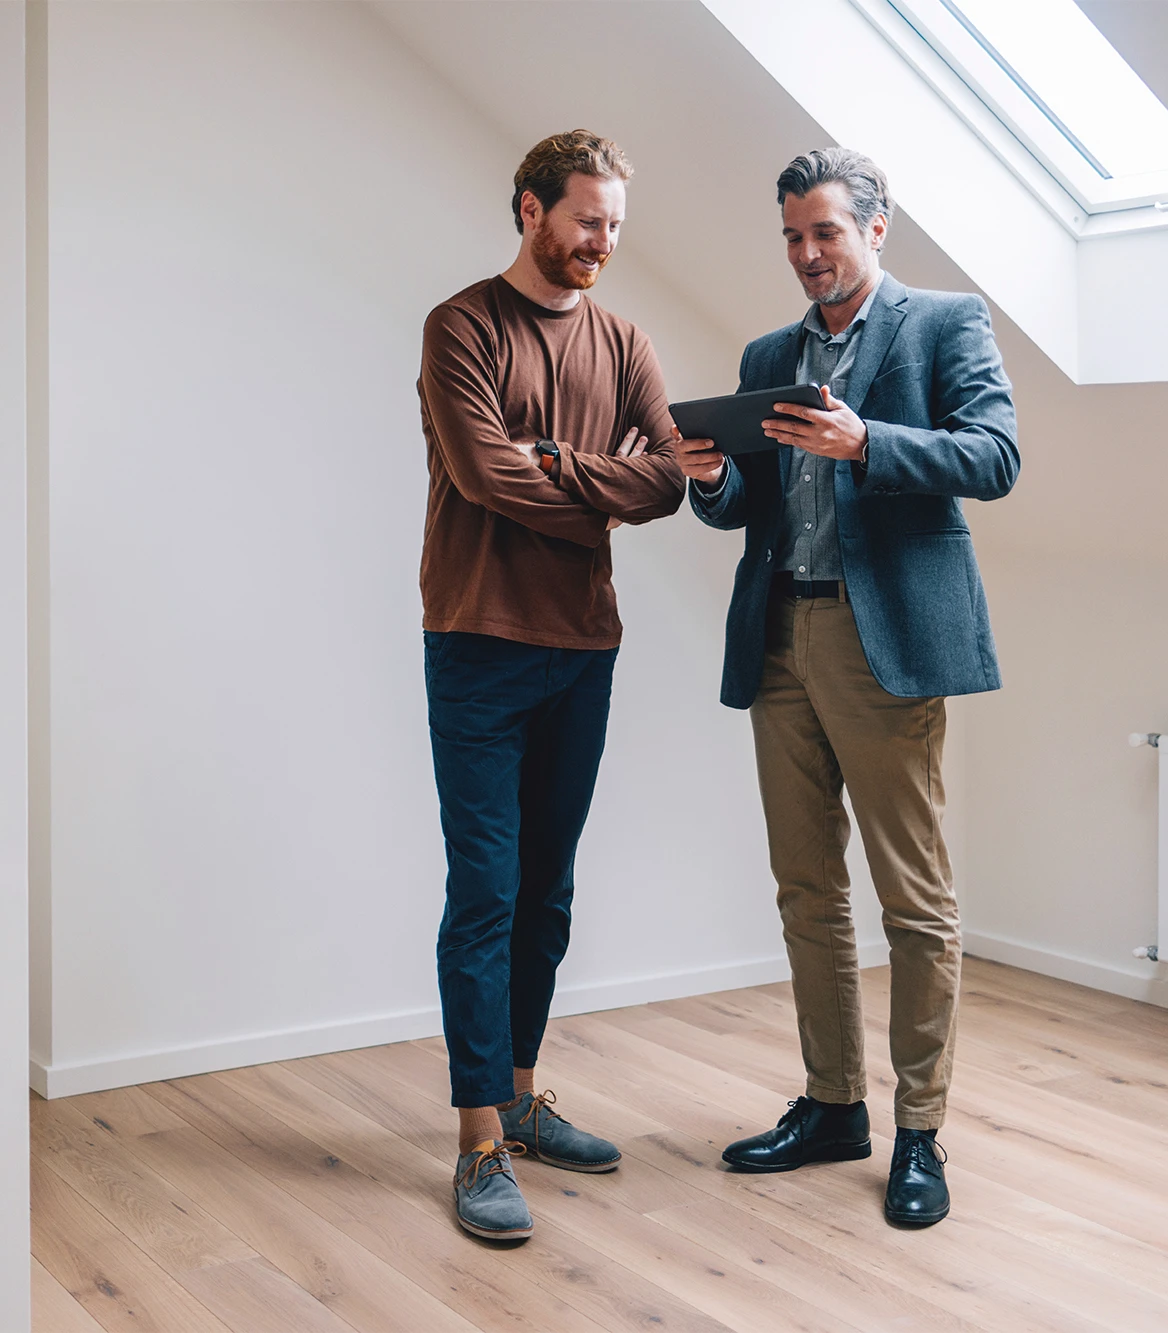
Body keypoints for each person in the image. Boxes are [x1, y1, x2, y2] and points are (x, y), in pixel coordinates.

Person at [674, 147, 1017, 1229]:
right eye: (790, 236)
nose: (805, 253)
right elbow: (746, 509)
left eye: (823, 232)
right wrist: (712, 478)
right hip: (780, 632)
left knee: (913, 900)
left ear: (876, 229)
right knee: (805, 890)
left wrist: (866, 439)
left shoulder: (942, 324)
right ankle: (832, 1106)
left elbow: (993, 455)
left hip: (887, 646)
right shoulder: (769, 351)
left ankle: (919, 1129)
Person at [418, 129, 684, 1241]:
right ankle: (479, 1140)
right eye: (585, 220)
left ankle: (522, 1093)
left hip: (584, 644)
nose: (601, 244)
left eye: (614, 226)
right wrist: (601, 484)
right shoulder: (460, 327)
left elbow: (670, 478)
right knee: (485, 888)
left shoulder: (622, 340)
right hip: (477, 640)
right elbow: (482, 473)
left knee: (548, 889)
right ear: (528, 209)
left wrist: (566, 468)